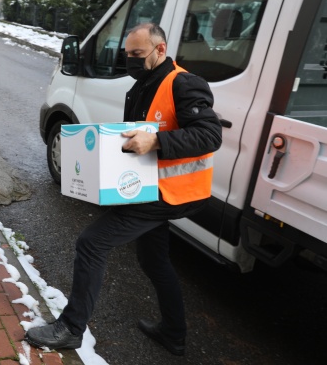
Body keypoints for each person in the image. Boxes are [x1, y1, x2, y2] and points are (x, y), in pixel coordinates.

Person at [24, 23, 222, 356]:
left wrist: (157, 141)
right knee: (153, 259)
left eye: (138, 54)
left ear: (160, 50)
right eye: (127, 54)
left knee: (91, 243)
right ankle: (173, 333)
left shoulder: (184, 84)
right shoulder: (142, 84)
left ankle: (71, 328)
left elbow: (209, 135)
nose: (130, 60)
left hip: (175, 193)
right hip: (151, 188)